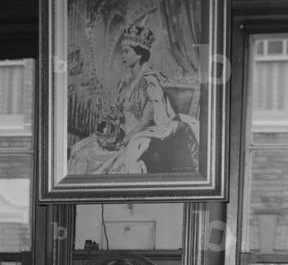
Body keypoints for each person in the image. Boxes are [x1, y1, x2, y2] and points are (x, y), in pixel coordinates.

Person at [68, 24, 197, 177]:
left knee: (120, 159)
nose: (122, 55)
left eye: (126, 51)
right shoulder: (125, 81)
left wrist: (125, 140)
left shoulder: (150, 82)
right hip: (120, 132)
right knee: (80, 149)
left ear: (139, 54)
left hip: (139, 134)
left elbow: (146, 121)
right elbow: (119, 111)